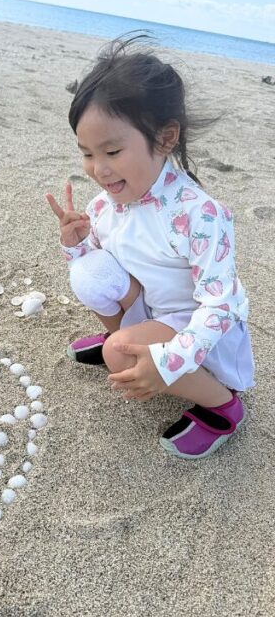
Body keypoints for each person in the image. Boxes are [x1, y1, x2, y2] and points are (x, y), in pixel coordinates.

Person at [46, 34, 254, 460]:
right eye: (86, 153)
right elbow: (110, 268)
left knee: (118, 353)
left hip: (197, 326)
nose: (98, 169)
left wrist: (171, 360)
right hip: (151, 308)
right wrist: (79, 245)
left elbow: (221, 306)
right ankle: (124, 336)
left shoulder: (201, 214)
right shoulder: (105, 204)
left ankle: (223, 407)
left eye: (113, 151)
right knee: (90, 273)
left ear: (165, 138)